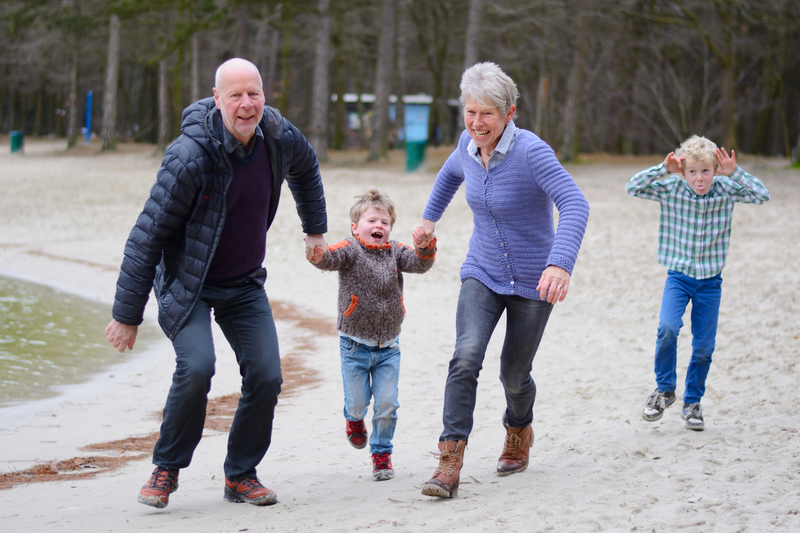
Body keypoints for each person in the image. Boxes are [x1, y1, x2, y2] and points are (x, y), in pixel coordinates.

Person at [105, 58, 327, 509]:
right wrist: (127, 316)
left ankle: (240, 474)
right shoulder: (189, 156)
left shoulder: (278, 136)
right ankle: (166, 468)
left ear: (264, 95)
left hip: (244, 283)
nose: (247, 104)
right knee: (197, 367)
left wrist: (314, 230)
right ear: (216, 99)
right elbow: (147, 236)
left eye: (254, 94)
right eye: (235, 95)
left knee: (266, 375)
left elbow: (306, 169)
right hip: (188, 284)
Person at [414, 62, 590, 499]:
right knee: (465, 356)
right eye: (470, 112)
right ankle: (449, 461)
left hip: (534, 281)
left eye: (487, 114)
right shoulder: (466, 145)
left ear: (509, 113)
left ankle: (518, 429)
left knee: (514, 374)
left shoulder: (532, 152)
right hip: (483, 270)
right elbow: (450, 174)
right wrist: (429, 220)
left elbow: (575, 203)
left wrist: (559, 263)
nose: (477, 123)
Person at [627, 135, 770, 431]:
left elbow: (762, 195)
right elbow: (633, 187)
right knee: (668, 327)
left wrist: (735, 172)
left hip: (710, 282)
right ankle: (664, 390)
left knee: (704, 347)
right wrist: (663, 169)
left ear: (715, 169)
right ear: (683, 171)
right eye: (692, 171)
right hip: (678, 278)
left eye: (706, 170)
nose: (699, 178)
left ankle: (692, 402)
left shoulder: (726, 188)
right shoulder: (671, 187)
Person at [307, 188, 436, 481]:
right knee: (357, 404)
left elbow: (420, 264)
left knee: (387, 405)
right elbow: (330, 258)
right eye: (372, 221)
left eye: (384, 222)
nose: (379, 226)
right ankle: (353, 420)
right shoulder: (350, 249)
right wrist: (318, 253)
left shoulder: (396, 251)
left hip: (389, 347)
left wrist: (425, 247)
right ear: (355, 227)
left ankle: (381, 453)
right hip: (354, 346)